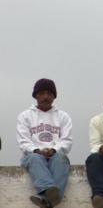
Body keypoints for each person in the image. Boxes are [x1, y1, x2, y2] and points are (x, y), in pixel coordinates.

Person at [17, 78, 72, 208]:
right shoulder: (25, 116)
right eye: (41, 93)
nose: (45, 96)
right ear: (36, 95)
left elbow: (67, 141)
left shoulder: (63, 116)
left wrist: (53, 150)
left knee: (61, 159)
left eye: (49, 93)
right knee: (34, 158)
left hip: (56, 155)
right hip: (33, 156)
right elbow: (23, 141)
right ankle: (50, 194)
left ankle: (44, 199)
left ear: (54, 96)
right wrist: (37, 150)